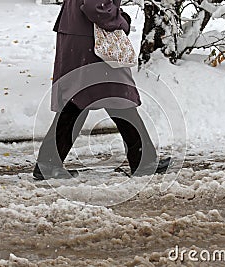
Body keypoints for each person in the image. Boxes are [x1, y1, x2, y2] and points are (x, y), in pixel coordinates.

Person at [33, 0, 171, 180]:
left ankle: (48, 163)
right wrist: (120, 20)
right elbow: (95, 6)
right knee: (111, 97)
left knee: (89, 99)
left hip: (81, 35)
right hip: (90, 40)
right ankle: (144, 161)